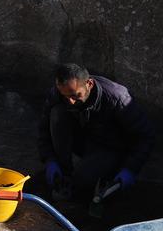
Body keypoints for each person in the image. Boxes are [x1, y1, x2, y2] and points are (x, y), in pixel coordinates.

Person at [37, 63, 155, 200]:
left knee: (83, 181)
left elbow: (145, 136)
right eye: (65, 96)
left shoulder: (117, 98)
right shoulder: (59, 93)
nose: (70, 102)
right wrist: (50, 159)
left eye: (75, 95)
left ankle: (90, 175)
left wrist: (130, 169)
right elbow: (44, 128)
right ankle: (64, 173)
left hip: (110, 147)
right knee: (57, 113)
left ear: (89, 84)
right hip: (85, 138)